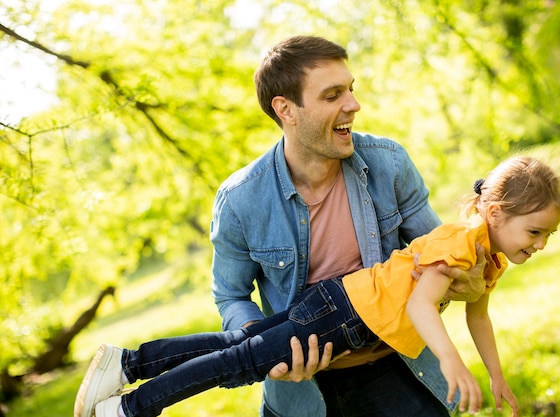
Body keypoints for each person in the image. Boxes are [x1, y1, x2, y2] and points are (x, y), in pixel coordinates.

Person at [76, 35, 488, 417]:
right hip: (302, 391)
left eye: (350, 88)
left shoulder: (389, 163)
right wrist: (264, 345)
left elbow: (435, 254)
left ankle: (130, 375)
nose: (354, 104)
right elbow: (231, 295)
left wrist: (465, 284)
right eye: (333, 95)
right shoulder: (241, 200)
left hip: (393, 366)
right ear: (285, 109)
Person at [73, 155, 560, 417]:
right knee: (241, 362)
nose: (539, 244)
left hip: (347, 312)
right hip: (342, 313)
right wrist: (453, 362)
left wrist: (495, 375)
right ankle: (130, 408)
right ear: (495, 213)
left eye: (548, 234)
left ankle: (127, 363)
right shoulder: (463, 241)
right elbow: (426, 305)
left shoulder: (489, 256)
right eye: (535, 231)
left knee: (237, 347)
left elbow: (479, 315)